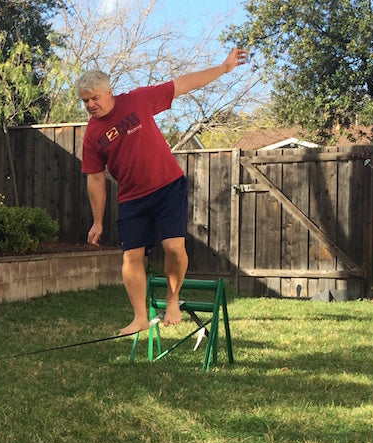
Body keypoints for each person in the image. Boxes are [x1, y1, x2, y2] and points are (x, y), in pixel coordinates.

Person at [78, 48, 248, 335]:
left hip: (168, 186)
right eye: (85, 101)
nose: (91, 105)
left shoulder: (137, 100)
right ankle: (139, 318)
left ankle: (172, 300)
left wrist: (223, 67)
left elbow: (182, 85)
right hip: (132, 198)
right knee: (131, 257)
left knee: (174, 247)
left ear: (109, 92)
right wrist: (97, 221)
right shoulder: (92, 135)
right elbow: (95, 179)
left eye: (95, 98)